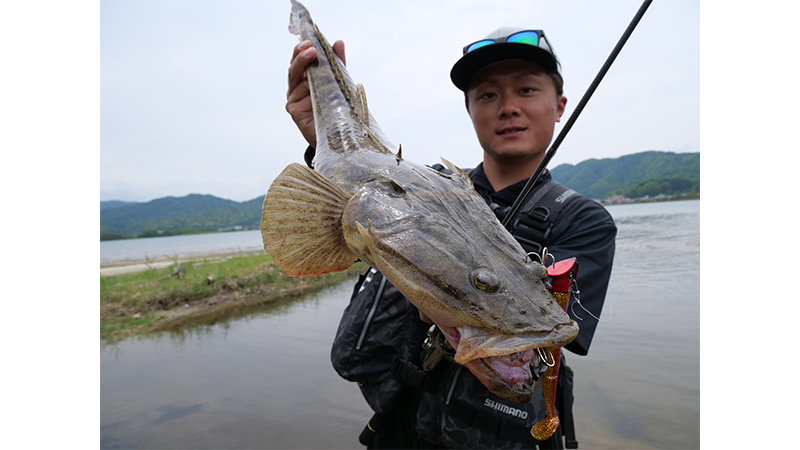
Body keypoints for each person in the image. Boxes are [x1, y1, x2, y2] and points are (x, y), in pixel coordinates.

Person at [285, 26, 616, 449]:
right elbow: (354, 188)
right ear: (469, 110)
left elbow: (555, 335)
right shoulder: (417, 185)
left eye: (527, 89)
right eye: (488, 95)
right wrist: (323, 141)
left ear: (560, 106)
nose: (508, 107)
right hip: (401, 431)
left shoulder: (584, 220)